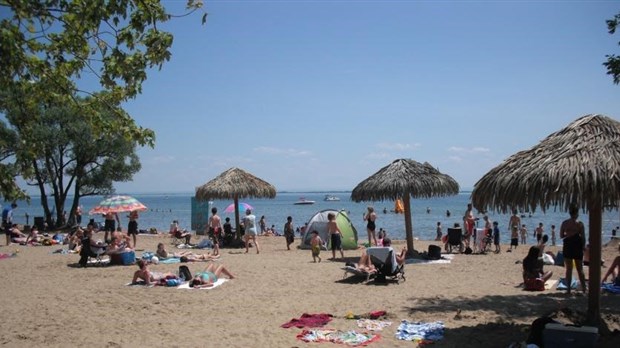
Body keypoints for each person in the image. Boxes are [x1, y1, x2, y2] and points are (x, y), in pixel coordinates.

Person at [560, 203, 587, 294]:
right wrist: (583, 246)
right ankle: (584, 289)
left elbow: (561, 236)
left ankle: (568, 290)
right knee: (580, 269)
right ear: (577, 213)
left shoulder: (564, 223)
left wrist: (568, 234)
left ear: (570, 213)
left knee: (569, 269)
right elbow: (583, 237)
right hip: (577, 246)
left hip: (568, 245)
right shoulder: (580, 224)